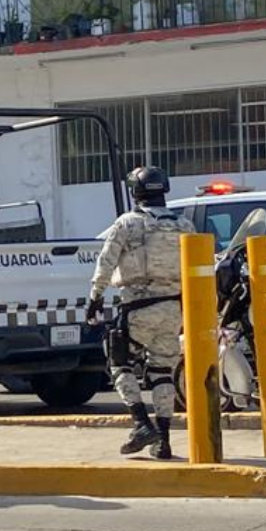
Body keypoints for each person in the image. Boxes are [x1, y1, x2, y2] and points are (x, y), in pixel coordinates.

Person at [87, 166, 195, 460]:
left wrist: (95, 297)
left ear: (135, 192)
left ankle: (140, 423)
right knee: (162, 372)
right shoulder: (185, 225)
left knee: (118, 362)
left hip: (138, 306)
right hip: (174, 309)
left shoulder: (128, 224)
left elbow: (106, 262)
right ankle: (163, 441)